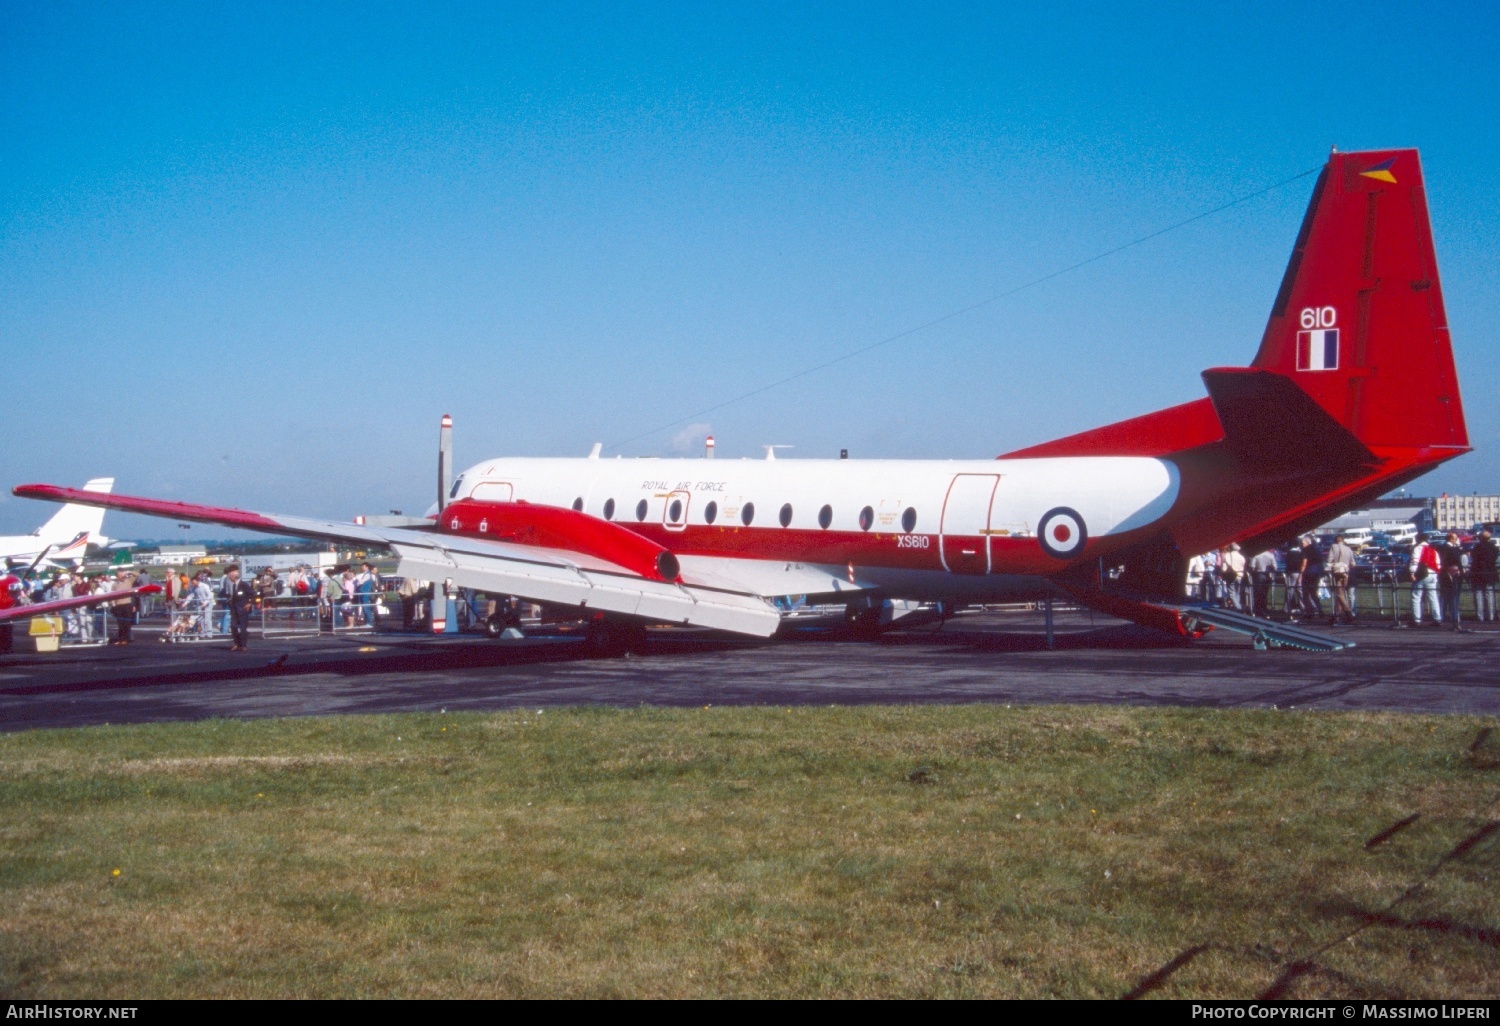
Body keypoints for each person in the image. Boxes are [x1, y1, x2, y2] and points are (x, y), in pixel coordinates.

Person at [1405, 534, 1442, 627]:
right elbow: (1438, 564)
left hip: (1422, 574)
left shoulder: (1417, 548)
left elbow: (1414, 561)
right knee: (1433, 597)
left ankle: (1417, 620)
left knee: (1416, 597)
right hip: (1433, 574)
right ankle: (1437, 619)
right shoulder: (1433, 549)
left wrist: (1412, 573)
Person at [1435, 531, 1467, 632]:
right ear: (1452, 539)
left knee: (1443, 597)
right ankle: (1455, 620)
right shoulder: (1453, 549)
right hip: (1452, 575)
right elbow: (1457, 561)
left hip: (1443, 574)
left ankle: (1441, 617)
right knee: (1454, 597)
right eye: (1456, 538)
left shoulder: (1440, 548)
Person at [222, 565, 257, 652]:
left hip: (243, 610)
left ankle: (244, 645)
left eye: (230, 577)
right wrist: (230, 601)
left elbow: (253, 593)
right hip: (234, 610)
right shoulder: (234, 586)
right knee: (233, 627)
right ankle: (237, 643)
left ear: (235, 577)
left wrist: (249, 603)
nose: (229, 578)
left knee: (243, 629)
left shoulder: (243, 585)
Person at [1326, 533, 1358, 625]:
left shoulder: (1333, 547)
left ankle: (1348, 613)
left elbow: (1329, 560)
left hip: (1337, 573)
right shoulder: (1348, 549)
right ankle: (1336, 615)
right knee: (1341, 594)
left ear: (1335, 541)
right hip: (1346, 573)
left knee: (1339, 594)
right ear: (1343, 540)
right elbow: (1353, 563)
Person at [1470, 529, 1498, 623]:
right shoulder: (1494, 547)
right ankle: (1491, 616)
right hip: (1490, 573)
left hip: (1478, 573)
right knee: (1489, 594)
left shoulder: (1477, 547)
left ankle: (1480, 616)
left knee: (1478, 594)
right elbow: (1494, 559)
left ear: (1481, 538)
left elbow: (1473, 558)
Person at [110, 572, 139, 645]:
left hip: (127, 604)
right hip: (118, 605)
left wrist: (128, 572)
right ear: (117, 577)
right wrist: (113, 604)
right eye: (120, 575)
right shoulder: (114, 585)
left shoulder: (128, 581)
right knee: (120, 623)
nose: (122, 576)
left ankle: (125, 639)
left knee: (127, 623)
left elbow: (137, 575)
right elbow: (112, 595)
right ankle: (120, 639)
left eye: (122, 575)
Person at [1300, 537, 1325, 620]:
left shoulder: (1305, 550)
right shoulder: (1316, 549)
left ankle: (1310, 612)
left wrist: (1301, 574)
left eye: (1302, 543)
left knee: (1305, 594)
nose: (1301, 544)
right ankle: (1320, 610)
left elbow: (1304, 562)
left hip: (1308, 573)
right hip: (1317, 572)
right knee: (1314, 592)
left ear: (1306, 543)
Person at [1248, 548, 1277, 618]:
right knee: (1265, 593)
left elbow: (1252, 566)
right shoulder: (1271, 555)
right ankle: (1264, 608)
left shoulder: (1256, 555)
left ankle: (1259, 609)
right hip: (1267, 575)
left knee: (1258, 593)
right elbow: (1275, 567)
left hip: (1259, 575)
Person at [1283, 541, 1307, 620]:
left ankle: (1287, 608)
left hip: (1291, 572)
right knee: (1299, 590)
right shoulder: (1300, 553)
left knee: (1290, 590)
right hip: (1298, 572)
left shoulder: (1289, 553)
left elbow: (1287, 563)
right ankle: (1303, 606)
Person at [1220, 544, 1246, 610]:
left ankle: (1238, 607)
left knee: (1231, 592)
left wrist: (1223, 572)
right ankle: (1237, 606)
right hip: (1240, 576)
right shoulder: (1241, 557)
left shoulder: (1227, 555)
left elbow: (1224, 568)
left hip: (1231, 576)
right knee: (1237, 592)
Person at [354, 562, 380, 627]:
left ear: (367, 567)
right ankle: (367, 622)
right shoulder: (366, 574)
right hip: (363, 592)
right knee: (364, 608)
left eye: (363, 567)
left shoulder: (368, 574)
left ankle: (370, 623)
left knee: (366, 608)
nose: (361, 568)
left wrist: (356, 581)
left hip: (365, 592)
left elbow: (360, 582)